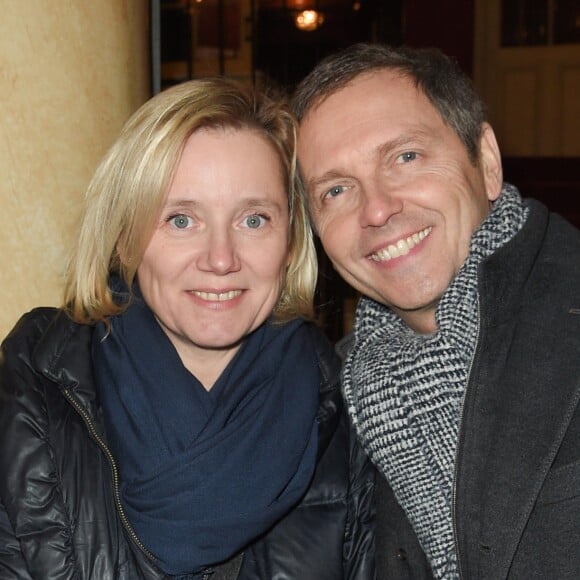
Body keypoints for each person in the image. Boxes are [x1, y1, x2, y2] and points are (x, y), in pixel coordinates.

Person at [0, 77, 376, 579]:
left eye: (254, 219)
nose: (221, 259)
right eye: (181, 220)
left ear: (290, 242)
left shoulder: (355, 415)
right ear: (124, 237)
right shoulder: (32, 393)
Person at [292, 43, 580, 579]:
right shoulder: (332, 400)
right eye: (336, 189)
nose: (376, 209)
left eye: (405, 157)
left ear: (486, 161)